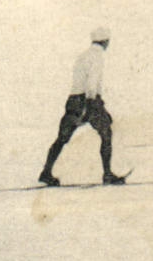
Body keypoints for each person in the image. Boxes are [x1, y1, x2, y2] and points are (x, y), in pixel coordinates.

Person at [38, 27, 123, 187]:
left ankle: (46, 172)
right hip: (89, 100)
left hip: (73, 100)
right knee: (106, 133)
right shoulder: (97, 57)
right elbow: (91, 84)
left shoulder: (82, 56)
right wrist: (93, 106)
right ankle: (107, 174)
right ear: (105, 42)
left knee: (62, 138)